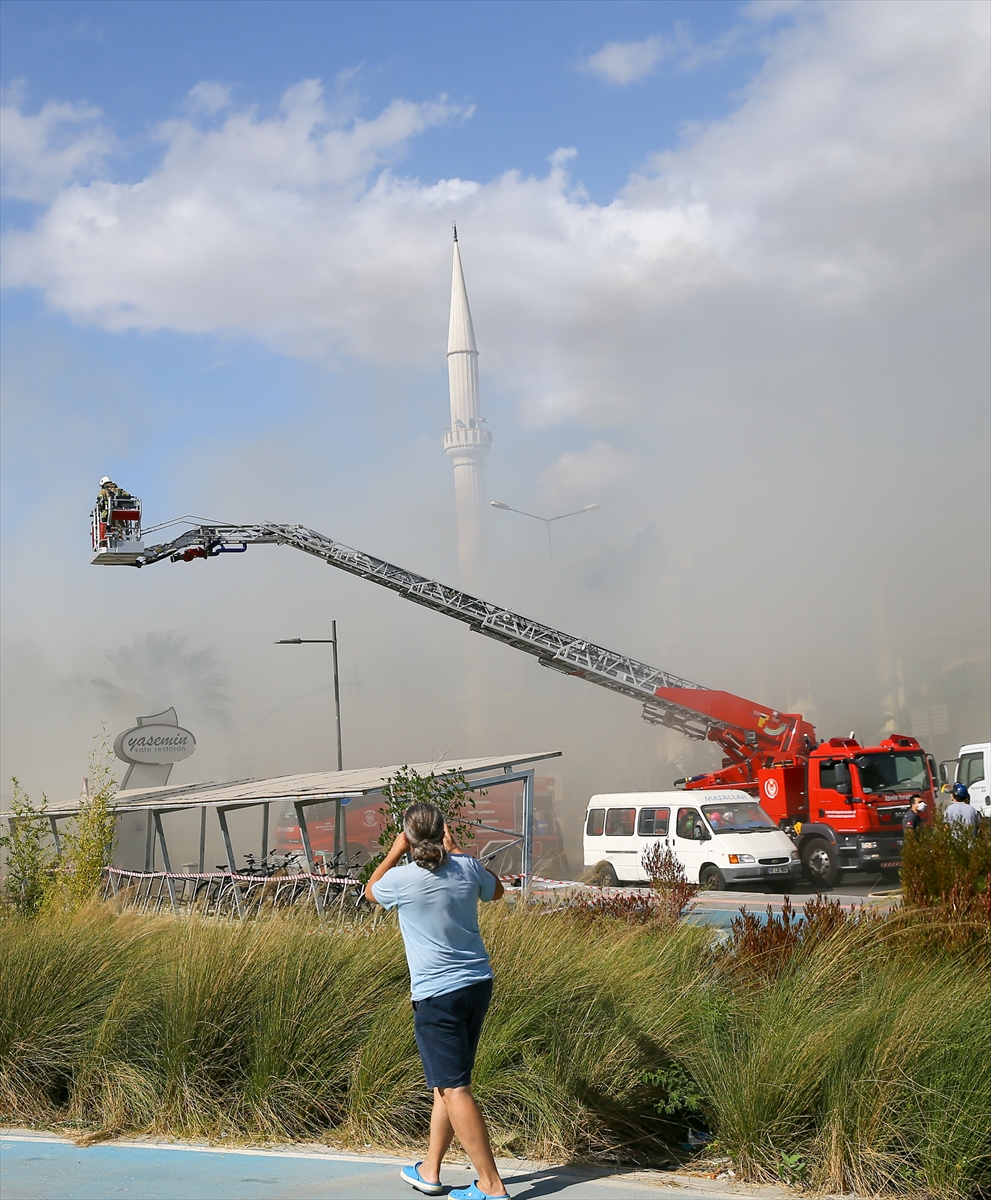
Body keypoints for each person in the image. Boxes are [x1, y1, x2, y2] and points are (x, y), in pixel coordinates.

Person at [365, 803, 509, 1200]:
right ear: (444, 833)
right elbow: (498, 891)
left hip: (436, 995)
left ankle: (492, 1186)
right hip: (477, 985)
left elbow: (369, 892)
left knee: (455, 1087)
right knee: (447, 1085)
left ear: (409, 838)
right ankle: (430, 1170)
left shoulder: (401, 879)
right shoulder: (466, 868)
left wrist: (395, 850)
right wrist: (462, 854)